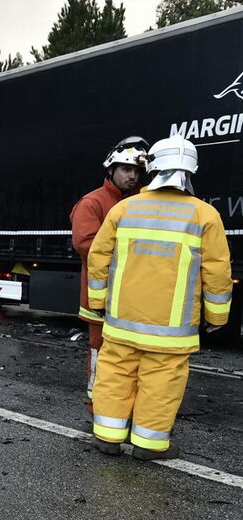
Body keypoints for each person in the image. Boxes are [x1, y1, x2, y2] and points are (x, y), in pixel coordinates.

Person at [87, 136, 232, 460]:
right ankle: (149, 445)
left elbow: (98, 258)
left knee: (114, 377)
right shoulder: (205, 216)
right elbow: (218, 272)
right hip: (171, 332)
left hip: (122, 324)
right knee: (161, 386)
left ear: (152, 167)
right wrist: (217, 317)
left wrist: (98, 303)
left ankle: (107, 437)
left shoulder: (124, 209)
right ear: (191, 170)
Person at [70, 136, 148, 416]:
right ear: (111, 169)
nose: (133, 175)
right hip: (100, 298)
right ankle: (97, 407)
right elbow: (85, 244)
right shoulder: (92, 203)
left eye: (137, 171)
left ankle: (127, 406)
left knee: (132, 358)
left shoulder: (141, 201)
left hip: (133, 298)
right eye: (127, 169)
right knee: (100, 354)